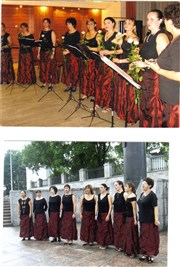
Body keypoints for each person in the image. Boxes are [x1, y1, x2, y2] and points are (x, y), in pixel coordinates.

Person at [145, 3, 180, 127]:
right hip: (169, 96)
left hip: (175, 98)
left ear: (170, 21)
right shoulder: (175, 39)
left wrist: (158, 69)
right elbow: (170, 62)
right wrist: (156, 62)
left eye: (165, 18)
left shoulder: (177, 43)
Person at [135, 9, 170, 127]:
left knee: (154, 105)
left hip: (155, 77)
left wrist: (145, 64)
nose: (148, 22)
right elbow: (146, 56)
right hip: (147, 76)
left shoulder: (161, 36)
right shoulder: (148, 36)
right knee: (146, 104)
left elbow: (164, 61)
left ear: (160, 21)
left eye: (152, 19)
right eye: (147, 19)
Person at [113, 18, 139, 124]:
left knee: (128, 92)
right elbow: (121, 50)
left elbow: (135, 57)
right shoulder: (124, 36)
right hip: (122, 65)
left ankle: (130, 116)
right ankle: (122, 112)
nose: (126, 25)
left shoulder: (135, 38)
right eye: (126, 23)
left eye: (129, 23)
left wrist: (119, 60)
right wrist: (110, 52)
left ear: (133, 27)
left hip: (129, 67)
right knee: (122, 90)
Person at [95, 17, 120, 113]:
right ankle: (100, 102)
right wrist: (99, 44)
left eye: (108, 23)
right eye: (105, 23)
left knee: (108, 84)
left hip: (111, 62)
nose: (106, 25)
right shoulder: (103, 35)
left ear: (113, 24)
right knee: (100, 82)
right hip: (103, 62)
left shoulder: (117, 35)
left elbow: (121, 50)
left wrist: (109, 52)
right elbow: (100, 49)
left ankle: (109, 105)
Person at [137, 178, 160, 264]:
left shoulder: (152, 195)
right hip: (142, 219)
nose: (143, 185)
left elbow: (155, 207)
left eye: (144, 184)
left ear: (150, 185)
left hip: (149, 220)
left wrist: (156, 219)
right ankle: (144, 253)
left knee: (149, 238)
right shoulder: (142, 194)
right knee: (143, 237)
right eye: (142, 184)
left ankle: (150, 255)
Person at [79, 18, 99, 101]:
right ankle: (86, 92)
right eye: (88, 24)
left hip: (94, 59)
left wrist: (90, 48)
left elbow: (100, 48)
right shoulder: (85, 34)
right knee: (85, 76)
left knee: (93, 77)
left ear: (95, 25)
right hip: (86, 59)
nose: (89, 25)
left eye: (91, 24)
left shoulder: (98, 35)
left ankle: (94, 94)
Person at [37, 18, 59, 89]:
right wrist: (38, 53)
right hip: (42, 52)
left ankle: (50, 83)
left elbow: (53, 44)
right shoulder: (41, 32)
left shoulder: (52, 32)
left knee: (50, 68)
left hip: (49, 52)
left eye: (46, 22)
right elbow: (39, 44)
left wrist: (53, 53)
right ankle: (44, 82)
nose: (45, 24)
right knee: (43, 68)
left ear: (49, 24)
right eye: (44, 22)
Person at [61, 17, 80, 92]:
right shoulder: (67, 33)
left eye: (69, 24)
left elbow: (75, 45)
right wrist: (64, 49)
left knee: (73, 70)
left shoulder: (77, 33)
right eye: (67, 24)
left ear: (73, 24)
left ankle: (74, 85)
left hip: (73, 55)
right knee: (67, 70)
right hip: (67, 54)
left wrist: (68, 51)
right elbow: (65, 43)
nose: (68, 25)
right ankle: (69, 84)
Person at [123, 182, 139, 258]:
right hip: (127, 217)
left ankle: (133, 252)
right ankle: (128, 250)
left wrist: (135, 220)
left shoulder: (133, 196)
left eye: (126, 186)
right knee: (128, 234)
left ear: (130, 188)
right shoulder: (127, 195)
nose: (125, 187)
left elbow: (134, 209)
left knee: (132, 234)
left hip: (132, 218)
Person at [96, 183, 113, 249]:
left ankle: (106, 243)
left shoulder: (108, 196)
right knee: (100, 229)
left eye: (101, 187)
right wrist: (96, 214)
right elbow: (97, 205)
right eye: (99, 188)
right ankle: (101, 243)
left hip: (106, 214)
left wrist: (108, 215)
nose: (100, 189)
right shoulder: (98, 196)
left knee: (106, 229)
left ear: (105, 188)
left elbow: (110, 206)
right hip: (100, 214)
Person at [113, 181, 126, 252]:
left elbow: (127, 205)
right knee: (117, 230)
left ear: (120, 185)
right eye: (114, 185)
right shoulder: (115, 194)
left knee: (122, 230)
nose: (115, 187)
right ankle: (117, 245)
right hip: (116, 214)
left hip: (122, 215)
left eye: (116, 185)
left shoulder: (124, 194)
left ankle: (122, 246)